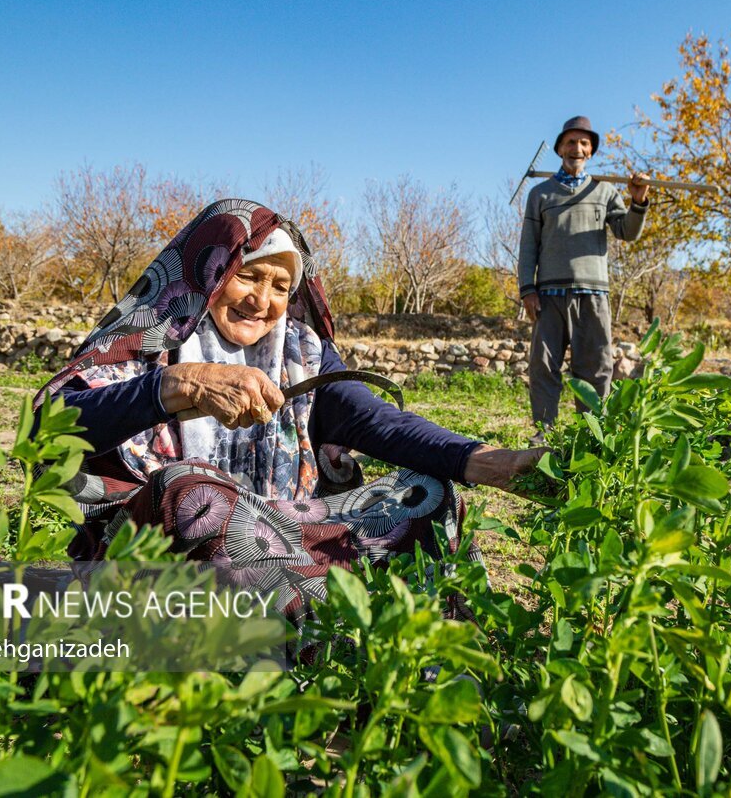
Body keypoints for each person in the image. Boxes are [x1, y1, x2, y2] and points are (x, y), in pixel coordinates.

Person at [34, 199, 541, 629]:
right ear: (209, 275)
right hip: (161, 549)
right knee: (188, 491)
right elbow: (45, 424)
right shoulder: (149, 345)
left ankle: (364, 634)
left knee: (426, 493)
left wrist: (481, 459)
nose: (262, 300)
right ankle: (306, 627)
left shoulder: (302, 353)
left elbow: (376, 421)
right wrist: (174, 386)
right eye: (248, 276)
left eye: (281, 287)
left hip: (278, 531)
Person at [518, 116, 650, 443]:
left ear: (591, 151)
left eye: (584, 143)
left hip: (593, 294)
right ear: (560, 148)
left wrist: (638, 200)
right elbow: (528, 245)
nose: (577, 148)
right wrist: (527, 290)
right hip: (549, 295)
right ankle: (544, 432)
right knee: (543, 366)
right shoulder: (541, 194)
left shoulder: (604, 192)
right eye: (571, 142)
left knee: (595, 366)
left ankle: (592, 433)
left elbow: (627, 232)